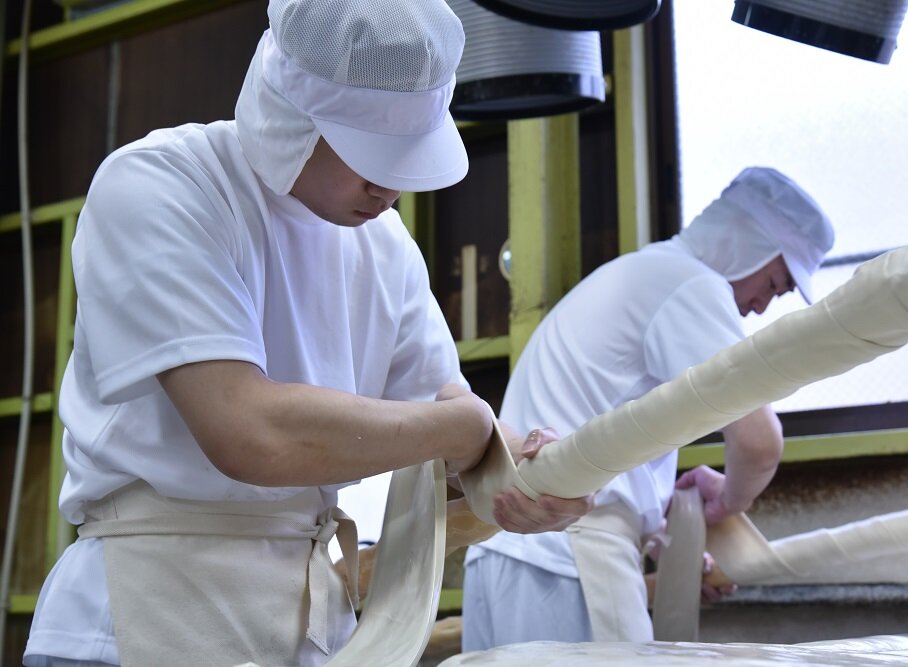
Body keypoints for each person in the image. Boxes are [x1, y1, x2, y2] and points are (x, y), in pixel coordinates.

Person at [22, 1, 592, 665]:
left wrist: (522, 464)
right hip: (142, 611)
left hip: (305, 625)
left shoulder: (387, 249)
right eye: (364, 151)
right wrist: (471, 435)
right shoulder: (165, 185)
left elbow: (440, 428)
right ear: (287, 114)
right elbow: (247, 430)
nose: (388, 186)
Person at [461, 166, 835, 650]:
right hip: (570, 555)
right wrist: (731, 498)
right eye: (776, 282)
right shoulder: (692, 285)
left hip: (508, 555)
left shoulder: (642, 273)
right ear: (750, 245)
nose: (762, 306)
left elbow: (607, 425)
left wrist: (660, 532)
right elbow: (759, 441)